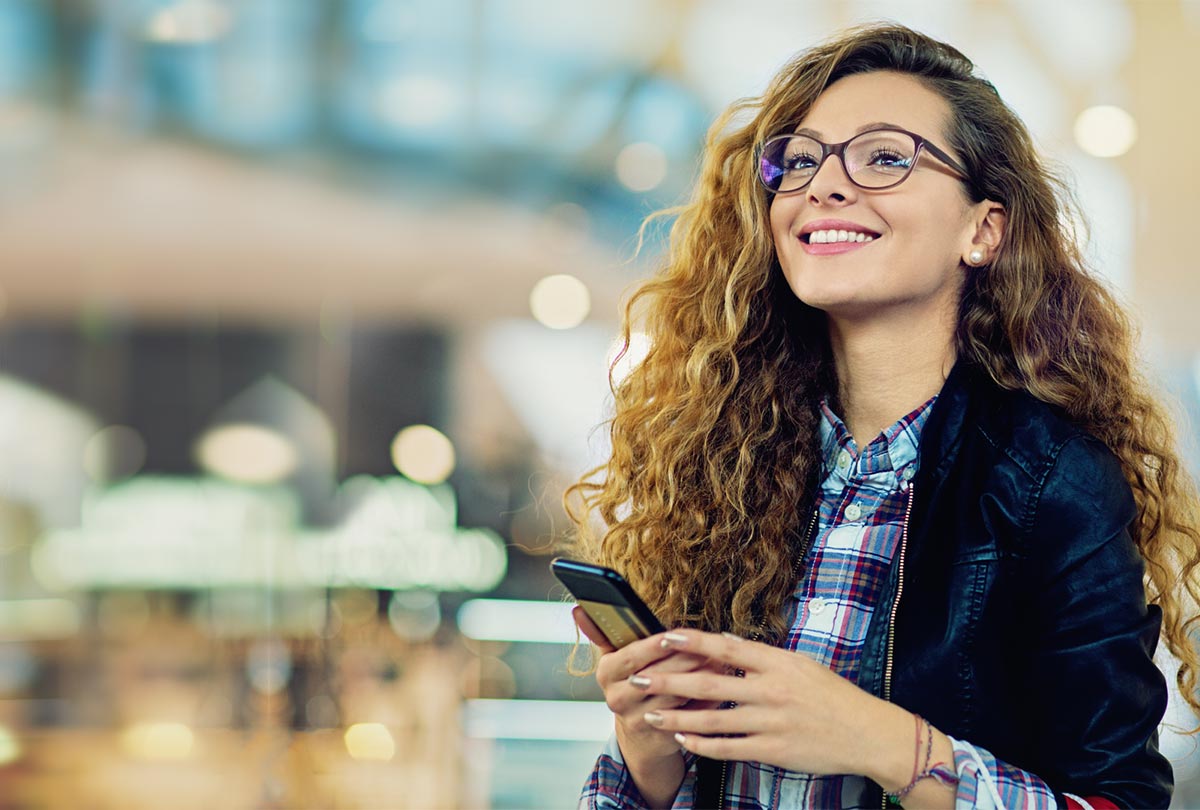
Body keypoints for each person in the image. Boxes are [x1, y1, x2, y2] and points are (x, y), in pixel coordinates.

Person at [563, 22, 1200, 810]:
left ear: (983, 229)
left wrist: (879, 741)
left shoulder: (1053, 483)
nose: (823, 186)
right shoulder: (725, 466)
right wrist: (649, 758)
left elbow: (1119, 800)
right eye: (799, 161)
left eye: (886, 157)